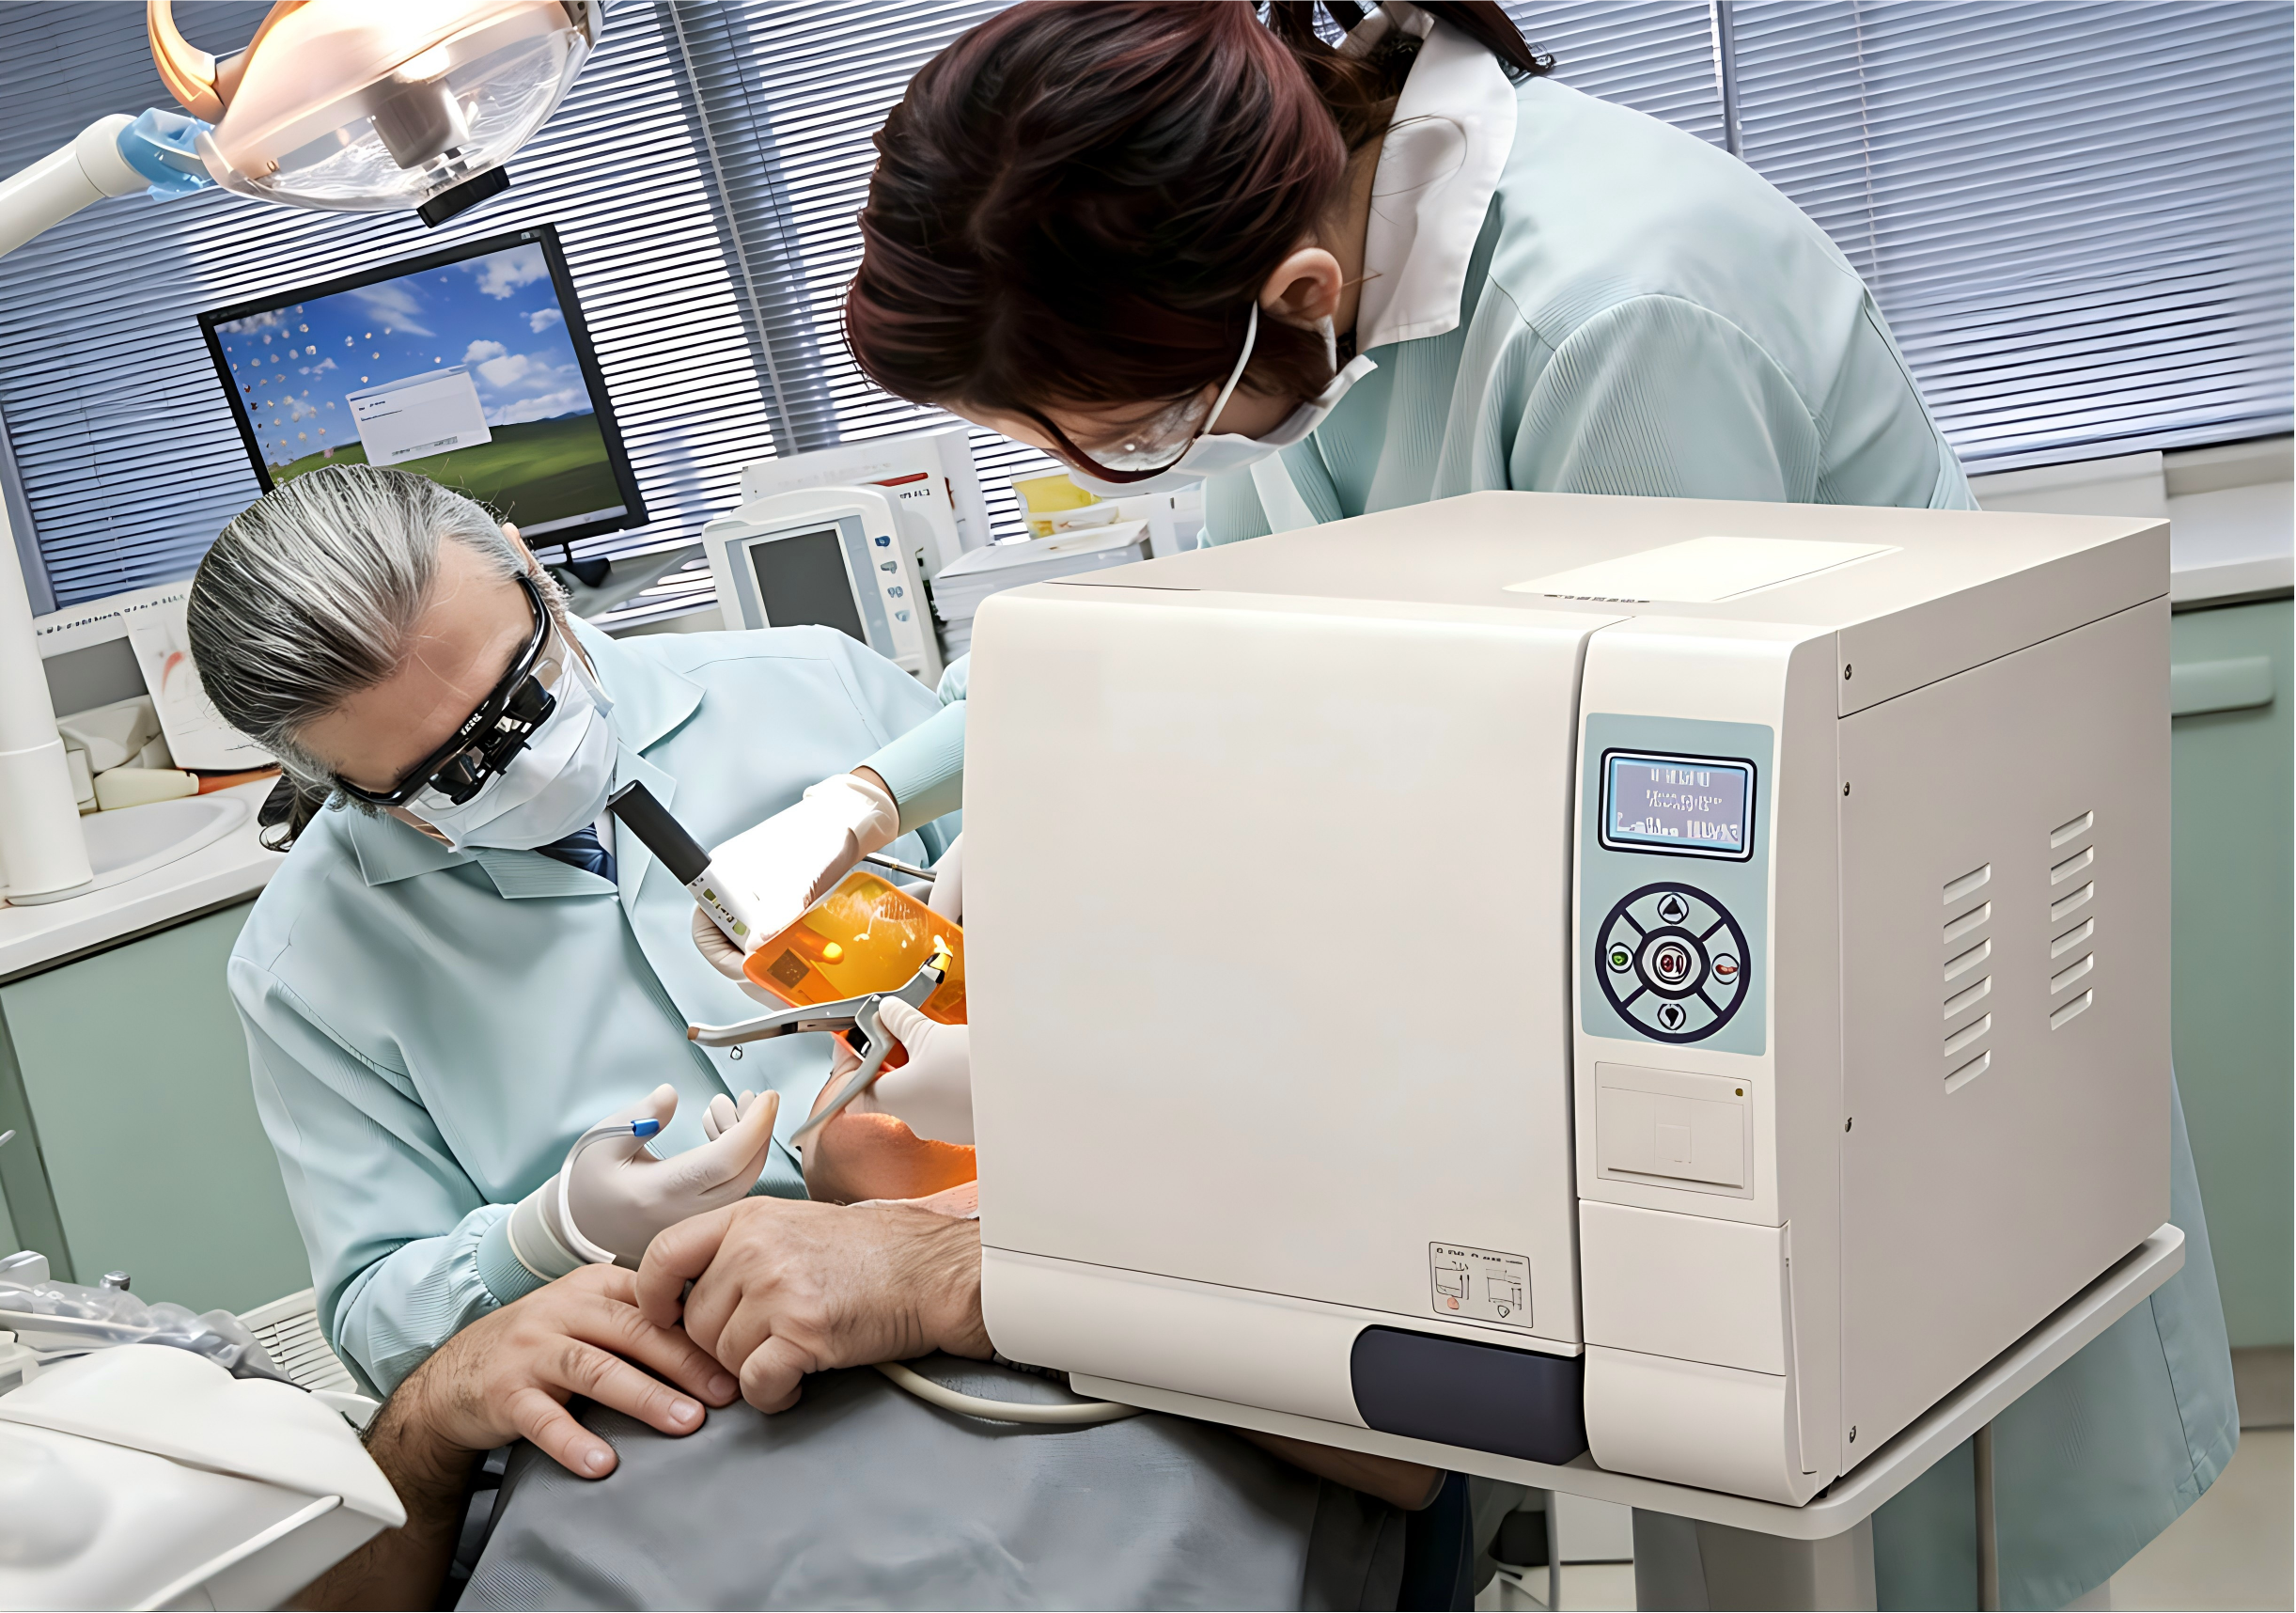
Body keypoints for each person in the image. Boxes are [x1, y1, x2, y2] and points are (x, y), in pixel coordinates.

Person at [709, 0, 2224, 1605]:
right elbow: (1201, 621)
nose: (1162, 458)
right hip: (1669, 1072)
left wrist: (1094, 1081)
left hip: (1872, 1063)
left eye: (1138, 436)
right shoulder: (1289, 301)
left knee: (1900, 1545)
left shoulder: (1618, 322)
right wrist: (872, 800)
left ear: (1282, 299)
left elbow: (1656, 845)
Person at [188, 462, 961, 1396]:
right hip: (702, 1399)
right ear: (333, 781)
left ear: (528, 567)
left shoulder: (818, 688)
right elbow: (378, 1329)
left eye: (526, 695)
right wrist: (544, 1237)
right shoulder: (306, 961)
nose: (521, 770)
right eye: (446, 776)